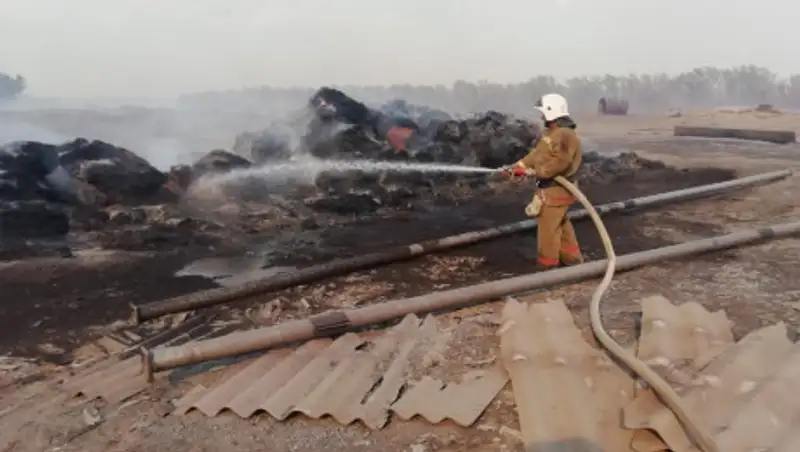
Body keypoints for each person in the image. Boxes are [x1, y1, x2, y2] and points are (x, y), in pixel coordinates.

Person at [504, 93, 584, 271]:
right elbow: (537, 155)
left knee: (548, 231)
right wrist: (519, 165)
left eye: (543, 112)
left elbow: (561, 162)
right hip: (553, 189)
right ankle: (573, 260)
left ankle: (547, 268)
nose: (540, 116)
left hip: (557, 190)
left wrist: (534, 172)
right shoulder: (552, 133)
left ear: (551, 112)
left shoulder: (565, 135)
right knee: (561, 225)